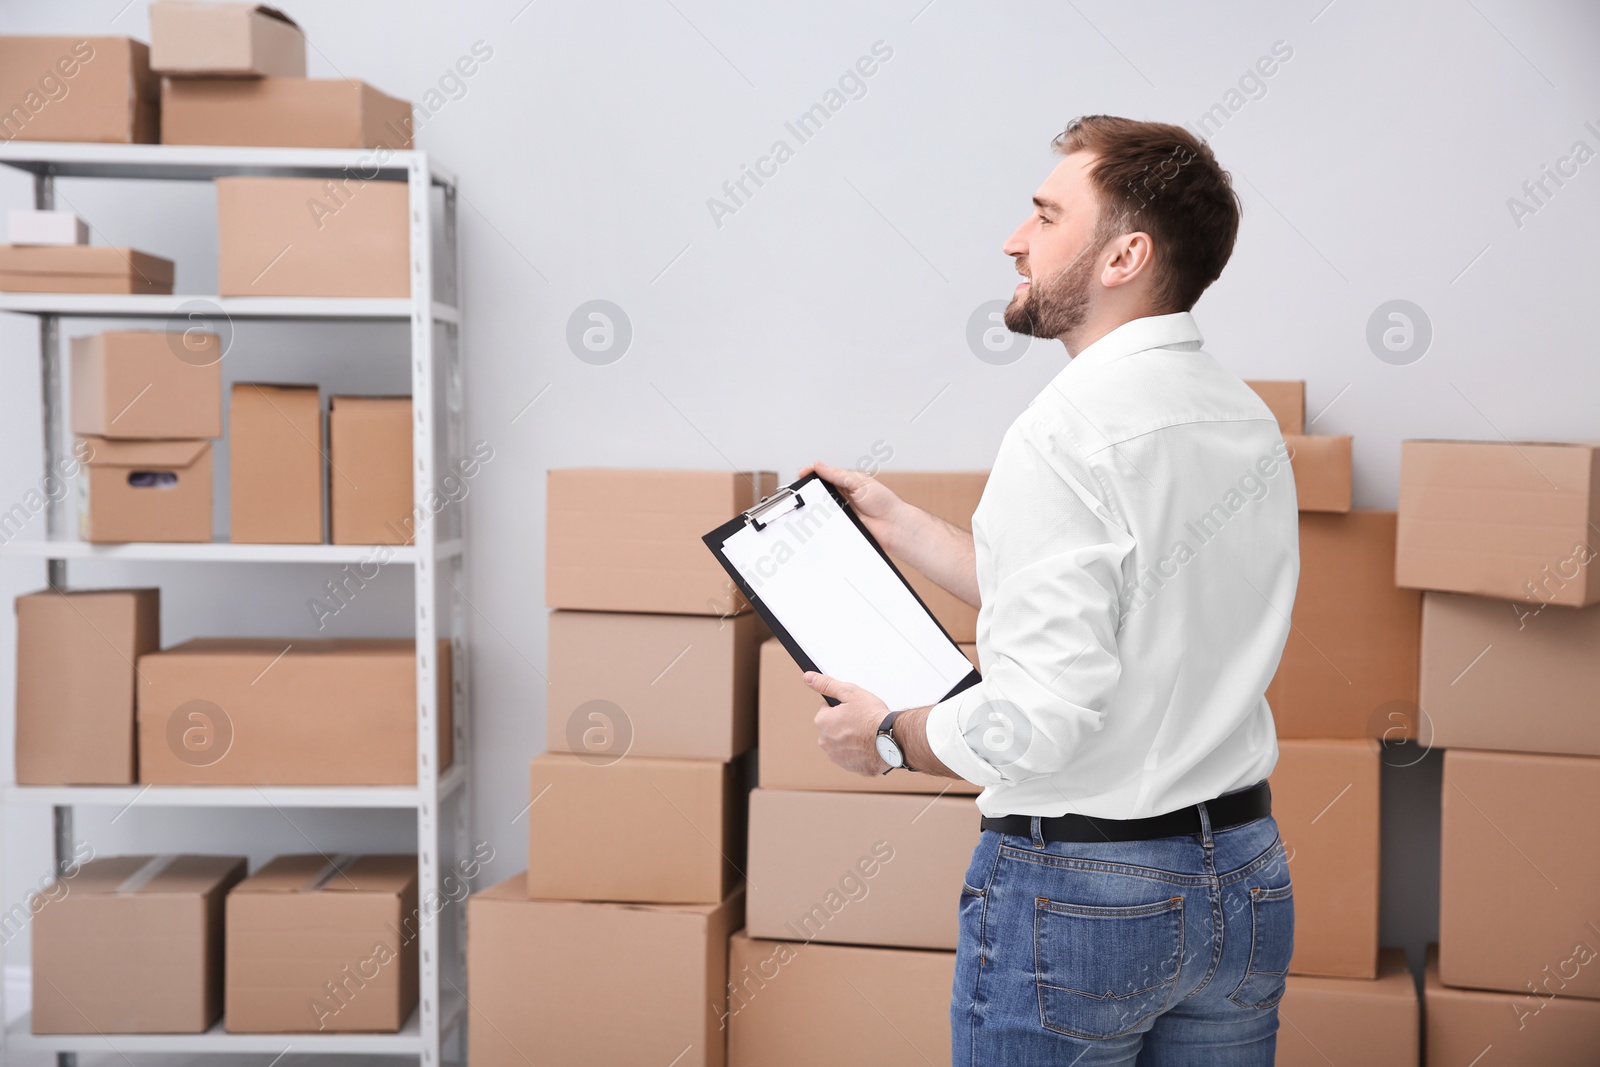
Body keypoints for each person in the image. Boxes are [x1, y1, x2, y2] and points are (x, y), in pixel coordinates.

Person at [799, 114, 1301, 1065]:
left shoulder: (1063, 433)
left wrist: (889, 736)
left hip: (1087, 895)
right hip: (1242, 879)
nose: (1013, 239)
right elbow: (1114, 600)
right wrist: (900, 527)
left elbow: (1037, 720)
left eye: (1044, 214)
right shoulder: (1244, 419)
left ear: (1125, 256)